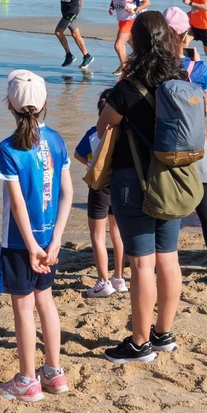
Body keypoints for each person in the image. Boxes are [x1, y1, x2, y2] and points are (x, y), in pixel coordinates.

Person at [95, 11, 193, 363]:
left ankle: (139, 343)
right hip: (173, 177)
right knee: (168, 257)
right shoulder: (180, 78)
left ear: (134, 42)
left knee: (141, 264)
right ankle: (163, 334)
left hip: (132, 179)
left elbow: (103, 126)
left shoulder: (128, 87)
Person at [0, 71, 73, 401]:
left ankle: (27, 379)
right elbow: (67, 193)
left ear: (9, 105)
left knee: (24, 308)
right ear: (44, 103)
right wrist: (55, 240)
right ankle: (53, 371)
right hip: (49, 240)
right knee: (45, 301)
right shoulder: (56, 140)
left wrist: (30, 246)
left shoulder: (7, 148)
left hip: (19, 242)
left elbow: (18, 205)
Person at [164, 7, 207, 288]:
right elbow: (205, 107)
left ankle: (161, 265)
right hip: (195, 141)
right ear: (185, 36)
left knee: (164, 206)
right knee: (206, 207)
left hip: (164, 143)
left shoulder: (153, 67)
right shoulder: (198, 68)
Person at [74, 100, 128, 299]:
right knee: (117, 231)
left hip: (100, 186)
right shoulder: (124, 134)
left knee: (97, 234)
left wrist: (91, 163)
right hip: (120, 185)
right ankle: (119, 278)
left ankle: (103, 281)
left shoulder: (93, 133)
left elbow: (78, 154)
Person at [107, 0, 146, 74]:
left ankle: (125, 69)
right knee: (133, 44)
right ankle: (143, 59)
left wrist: (135, 10)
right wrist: (111, 7)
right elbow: (114, 2)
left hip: (130, 20)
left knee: (118, 45)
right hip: (121, 21)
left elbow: (146, 2)